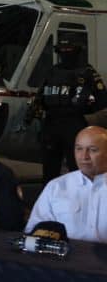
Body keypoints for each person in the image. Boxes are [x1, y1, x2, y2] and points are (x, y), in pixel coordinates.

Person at [27, 39, 107, 184]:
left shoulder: (87, 72)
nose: (65, 55)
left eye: (68, 51)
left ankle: (82, 201)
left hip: (73, 124)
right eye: (62, 51)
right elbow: (41, 95)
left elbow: (103, 98)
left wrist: (84, 109)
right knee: (50, 170)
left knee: (77, 168)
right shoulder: (52, 71)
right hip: (51, 124)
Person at [25, 126, 107, 243]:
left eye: (93, 150)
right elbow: (34, 230)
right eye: (79, 149)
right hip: (62, 258)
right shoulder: (56, 186)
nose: (84, 157)